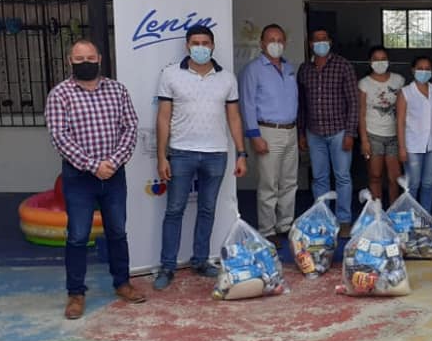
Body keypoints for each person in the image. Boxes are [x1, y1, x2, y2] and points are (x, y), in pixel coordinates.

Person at [45, 39, 144, 319]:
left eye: (90, 57)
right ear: (70, 61)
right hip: (79, 177)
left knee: (117, 231)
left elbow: (130, 127)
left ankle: (122, 283)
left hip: (114, 174)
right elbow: (59, 137)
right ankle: (76, 293)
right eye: (79, 59)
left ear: (99, 58)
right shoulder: (60, 94)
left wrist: (113, 162)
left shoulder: (117, 90)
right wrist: (93, 165)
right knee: (77, 236)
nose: (85, 63)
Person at [153, 25, 247, 290]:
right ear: (187, 46)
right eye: (195, 43)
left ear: (213, 46)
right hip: (181, 152)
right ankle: (167, 266)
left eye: (205, 43)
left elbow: (234, 117)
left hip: (216, 153)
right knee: (174, 210)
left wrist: (241, 153)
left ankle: (201, 260)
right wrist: (161, 156)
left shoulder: (227, 78)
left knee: (207, 209)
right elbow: (163, 117)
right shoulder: (171, 75)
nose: (201, 47)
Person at [239, 23, 299, 247]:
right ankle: (267, 229)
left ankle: (285, 224)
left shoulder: (289, 67)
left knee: (289, 182)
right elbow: (247, 104)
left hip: (290, 130)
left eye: (280, 40)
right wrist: (254, 135)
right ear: (262, 44)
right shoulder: (253, 69)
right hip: (267, 131)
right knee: (269, 184)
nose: (276, 44)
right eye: (271, 40)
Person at [298, 28, 359, 237]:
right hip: (314, 132)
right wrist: (301, 133)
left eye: (324, 39)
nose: (320, 43)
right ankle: (322, 219)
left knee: (342, 177)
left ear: (330, 42)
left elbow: (353, 102)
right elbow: (302, 105)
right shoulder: (305, 69)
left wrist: (350, 133)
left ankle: (344, 220)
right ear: (310, 44)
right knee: (319, 178)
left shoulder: (343, 66)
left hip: (339, 131)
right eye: (316, 39)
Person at [397, 56, 432, 210]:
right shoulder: (405, 92)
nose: (424, 72)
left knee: (428, 184)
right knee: (413, 184)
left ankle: (426, 217)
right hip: (412, 145)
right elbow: (400, 122)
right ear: (413, 70)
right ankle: (411, 217)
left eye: (427, 69)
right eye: (420, 68)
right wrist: (402, 148)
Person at [359, 45, 405, 204]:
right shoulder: (364, 83)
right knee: (375, 176)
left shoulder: (398, 80)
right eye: (376, 59)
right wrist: (364, 140)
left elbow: (403, 109)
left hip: (394, 135)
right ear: (370, 62)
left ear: (388, 61)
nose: (380, 62)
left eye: (383, 59)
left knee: (395, 177)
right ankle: (376, 211)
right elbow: (361, 113)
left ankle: (393, 211)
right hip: (373, 135)